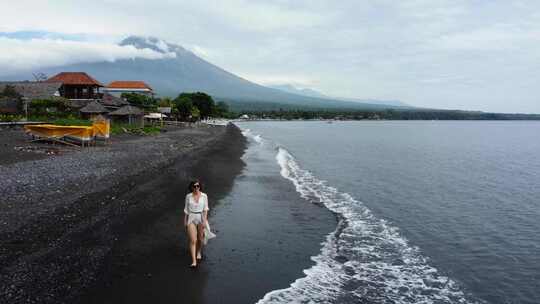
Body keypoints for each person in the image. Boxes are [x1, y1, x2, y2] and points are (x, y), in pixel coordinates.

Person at [184, 179, 209, 268]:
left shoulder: (204, 196)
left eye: (198, 186)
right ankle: (194, 261)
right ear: (191, 187)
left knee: (200, 239)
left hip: (201, 217)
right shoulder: (188, 196)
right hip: (191, 217)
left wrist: (205, 221)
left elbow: (205, 209)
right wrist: (185, 221)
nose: (196, 188)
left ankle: (199, 251)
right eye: (194, 186)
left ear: (200, 187)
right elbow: (186, 210)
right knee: (193, 240)